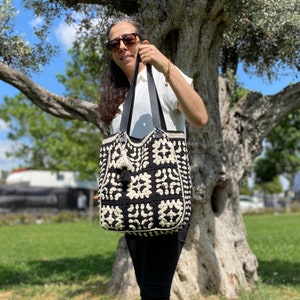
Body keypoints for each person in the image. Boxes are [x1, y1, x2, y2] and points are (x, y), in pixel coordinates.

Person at [99, 18, 208, 300]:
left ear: (142, 41)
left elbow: (199, 117)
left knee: (153, 291)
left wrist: (165, 64)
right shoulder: (116, 99)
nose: (122, 47)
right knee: (147, 286)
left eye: (129, 40)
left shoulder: (162, 79)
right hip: (132, 204)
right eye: (114, 44)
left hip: (167, 198)